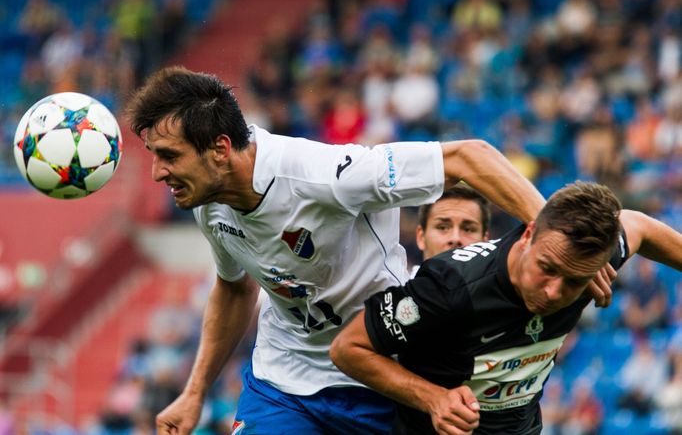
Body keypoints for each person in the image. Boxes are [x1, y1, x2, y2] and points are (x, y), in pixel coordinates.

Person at [126, 66, 580, 434]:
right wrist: (196, 390)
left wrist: (554, 244)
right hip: (282, 382)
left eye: (169, 156)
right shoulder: (209, 202)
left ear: (220, 149)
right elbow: (234, 289)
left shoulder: (326, 175)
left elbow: (469, 157)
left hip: (378, 374)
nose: (157, 174)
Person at [331, 181, 682, 435]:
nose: (554, 292)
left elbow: (638, 225)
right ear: (528, 235)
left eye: (574, 281)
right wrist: (434, 399)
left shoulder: (589, 262)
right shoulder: (451, 286)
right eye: (547, 268)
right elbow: (348, 348)